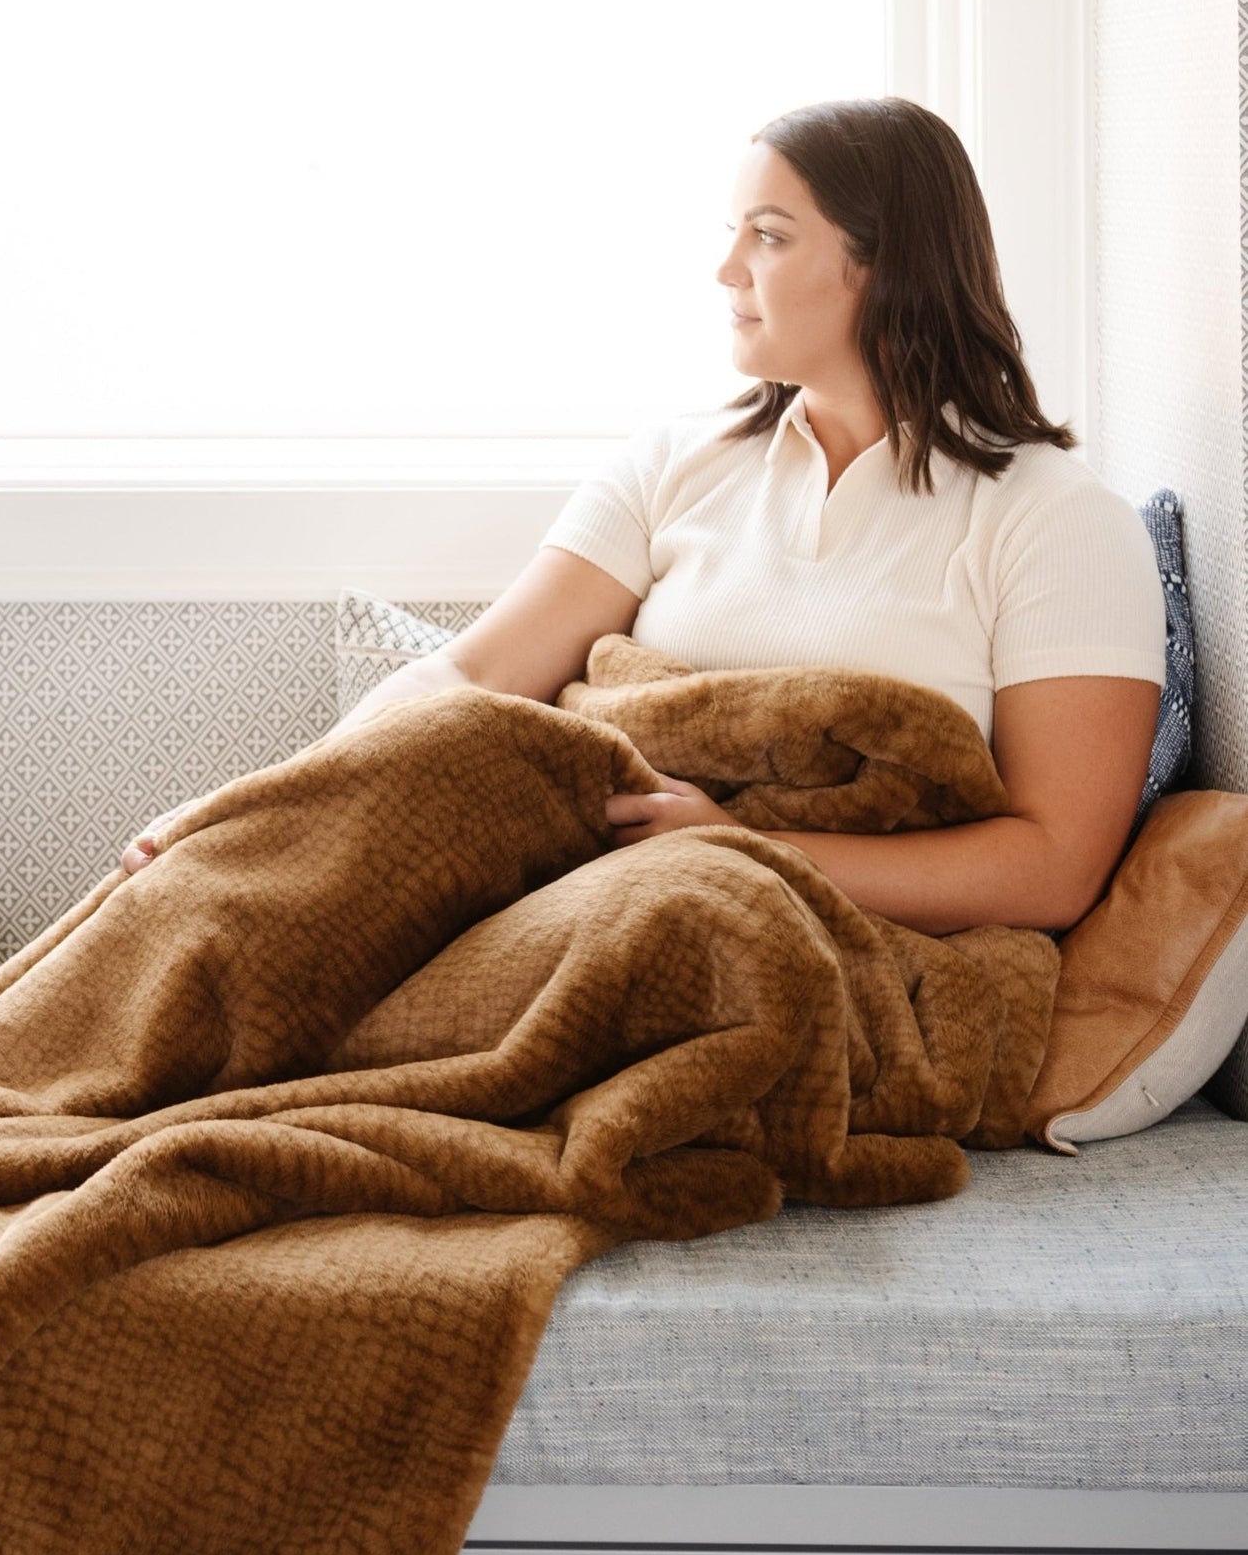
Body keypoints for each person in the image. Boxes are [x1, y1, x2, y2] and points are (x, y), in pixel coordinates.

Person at [121, 97, 1166, 941]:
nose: (725, 271)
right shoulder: (675, 463)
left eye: (766, 235)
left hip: (777, 930)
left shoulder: (1054, 522)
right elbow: (472, 678)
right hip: (582, 886)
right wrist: (243, 813)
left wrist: (739, 846)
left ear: (881, 263)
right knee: (255, 880)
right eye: (732, 233)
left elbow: (1053, 868)